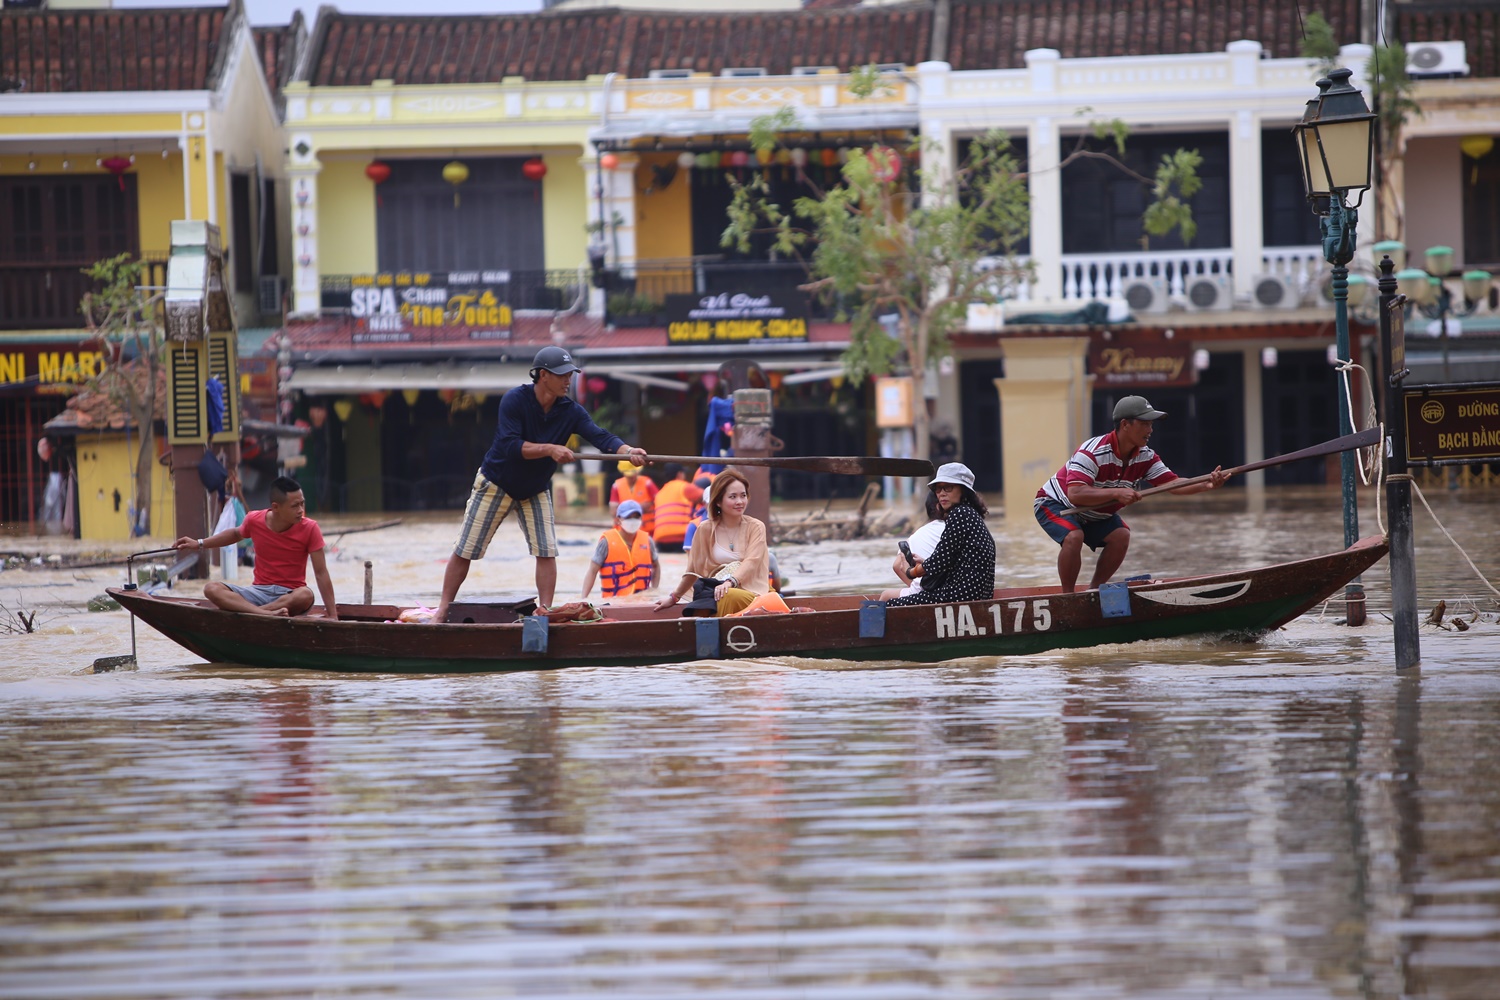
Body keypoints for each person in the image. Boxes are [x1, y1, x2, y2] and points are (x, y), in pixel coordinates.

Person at [435, 346, 648, 622]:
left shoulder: (571, 411)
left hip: (535, 487)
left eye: (570, 375)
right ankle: (442, 609)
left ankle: (544, 612)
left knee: (546, 550)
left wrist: (628, 451)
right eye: (562, 375)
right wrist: (550, 449)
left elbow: (600, 436)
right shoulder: (515, 400)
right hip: (497, 482)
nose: (567, 381)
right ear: (543, 375)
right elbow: (511, 446)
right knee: (466, 549)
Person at [1035, 395, 1231, 593]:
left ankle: (1093, 592)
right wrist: (1118, 493)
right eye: (1144, 424)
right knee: (1073, 536)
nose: (1150, 430)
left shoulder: (1146, 456)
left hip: (1095, 512)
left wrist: (1206, 484)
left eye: (1151, 424)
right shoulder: (1092, 452)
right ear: (1125, 425)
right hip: (1055, 503)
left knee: (1121, 536)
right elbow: (1076, 493)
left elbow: (1173, 483)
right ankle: (1068, 598)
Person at [174, 475, 337, 618]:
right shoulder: (254, 520)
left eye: (302, 504)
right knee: (211, 588)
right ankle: (264, 614)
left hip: (290, 596)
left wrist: (333, 616)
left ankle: (253, 612)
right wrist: (199, 543)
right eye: (295, 506)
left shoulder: (310, 528)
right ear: (275, 507)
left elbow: (321, 573)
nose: (301, 510)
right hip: (258, 592)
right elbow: (236, 534)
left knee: (306, 594)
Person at [652, 468, 770, 617]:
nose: (739, 501)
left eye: (743, 495)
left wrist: (730, 582)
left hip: (752, 592)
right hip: (717, 591)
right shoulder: (705, 529)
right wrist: (674, 597)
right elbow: (693, 570)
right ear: (718, 501)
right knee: (707, 601)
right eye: (732, 497)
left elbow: (751, 562)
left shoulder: (756, 527)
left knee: (727, 595)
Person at [886, 463, 996, 607]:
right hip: (974, 594)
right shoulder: (970, 515)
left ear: (963, 490)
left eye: (948, 487)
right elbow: (948, 560)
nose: (942, 494)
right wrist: (925, 563)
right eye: (938, 489)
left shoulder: (960, 514)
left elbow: (940, 560)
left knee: (890, 605)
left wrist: (910, 571)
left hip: (962, 595)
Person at [580, 499, 660, 599]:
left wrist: (654, 590)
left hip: (642, 600)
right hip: (614, 601)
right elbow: (592, 571)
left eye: (636, 517)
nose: (632, 520)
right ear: (618, 520)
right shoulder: (606, 541)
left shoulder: (648, 541)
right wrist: (583, 599)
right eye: (628, 517)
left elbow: (656, 566)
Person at [878, 491, 946, 602]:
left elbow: (897, 565)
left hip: (930, 592)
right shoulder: (956, 529)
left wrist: (915, 586)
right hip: (952, 589)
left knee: (885, 595)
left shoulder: (917, 534)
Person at [652, 463, 704, 552]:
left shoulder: (659, 493)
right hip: (680, 538)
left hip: (660, 540)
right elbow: (708, 496)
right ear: (679, 474)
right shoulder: (684, 487)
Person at [609, 459, 658, 536]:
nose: (631, 477)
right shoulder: (616, 486)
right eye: (629, 475)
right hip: (624, 531)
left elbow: (659, 501)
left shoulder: (647, 483)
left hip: (648, 530)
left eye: (633, 473)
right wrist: (638, 507)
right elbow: (613, 511)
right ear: (622, 472)